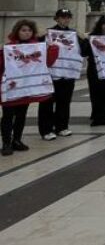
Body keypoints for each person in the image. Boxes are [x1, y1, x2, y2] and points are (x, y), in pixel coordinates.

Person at [1, 20, 59, 155]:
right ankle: (6, 142)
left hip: (27, 88)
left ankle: (17, 140)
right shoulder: (9, 47)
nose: (26, 33)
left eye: (29, 31)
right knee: (8, 116)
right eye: (23, 30)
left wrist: (53, 49)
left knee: (21, 115)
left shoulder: (37, 47)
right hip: (11, 88)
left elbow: (48, 63)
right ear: (17, 31)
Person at [38, 8, 86, 140]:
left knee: (64, 102)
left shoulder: (75, 34)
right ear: (57, 18)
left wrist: (85, 39)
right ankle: (46, 129)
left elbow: (85, 51)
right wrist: (39, 36)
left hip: (68, 73)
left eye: (67, 17)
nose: (65, 19)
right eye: (62, 17)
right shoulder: (48, 33)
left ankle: (62, 127)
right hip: (51, 74)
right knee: (47, 103)